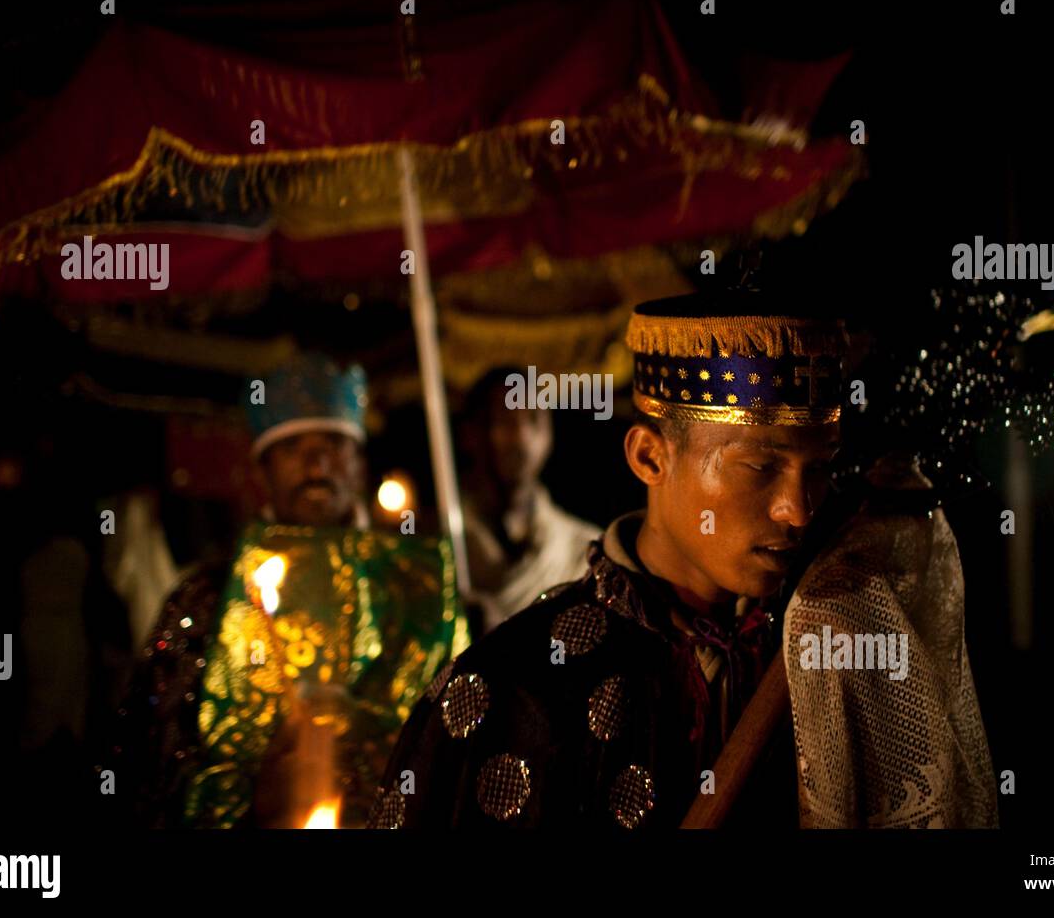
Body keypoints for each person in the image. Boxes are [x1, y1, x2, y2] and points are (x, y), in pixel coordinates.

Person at [369, 288, 998, 829]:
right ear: (649, 458)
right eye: (760, 466)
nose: (797, 510)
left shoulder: (845, 646)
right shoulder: (518, 687)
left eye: (820, 469)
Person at [109, 353, 469, 827]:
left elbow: (460, 731)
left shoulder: (418, 585)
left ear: (360, 464)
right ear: (262, 471)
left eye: (334, 444)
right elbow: (151, 758)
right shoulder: (209, 595)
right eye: (293, 446)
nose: (317, 461)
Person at [456, 367, 601, 635]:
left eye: (533, 420)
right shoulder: (441, 544)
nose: (521, 438)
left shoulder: (585, 552)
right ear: (469, 434)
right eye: (502, 420)